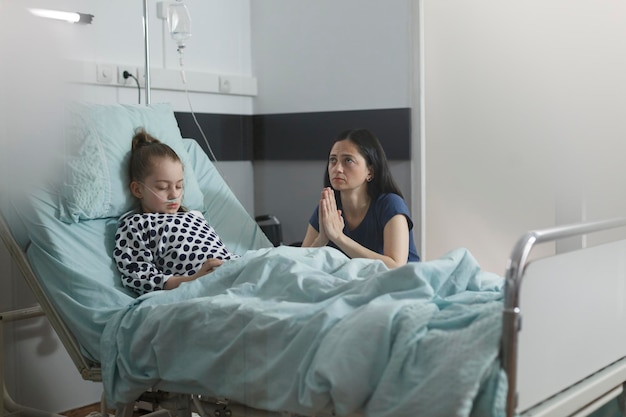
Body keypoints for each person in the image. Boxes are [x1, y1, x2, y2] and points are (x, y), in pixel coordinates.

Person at [113, 128, 239, 295]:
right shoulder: (135, 225)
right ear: (138, 190)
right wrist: (194, 280)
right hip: (205, 285)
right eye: (162, 187)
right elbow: (139, 277)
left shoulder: (195, 216)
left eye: (179, 186)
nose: (174, 194)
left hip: (234, 270)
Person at [301, 128, 420, 267]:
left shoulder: (391, 204)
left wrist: (339, 238)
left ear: (370, 171)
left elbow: (395, 266)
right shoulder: (329, 208)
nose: (337, 168)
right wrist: (322, 239)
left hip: (400, 286)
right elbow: (298, 263)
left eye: (348, 160)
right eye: (333, 160)